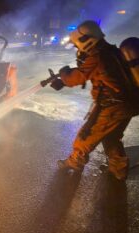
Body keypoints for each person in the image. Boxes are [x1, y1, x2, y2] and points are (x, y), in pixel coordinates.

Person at [49, 20, 133, 181]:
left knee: (86, 135)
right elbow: (88, 71)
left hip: (112, 106)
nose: (77, 48)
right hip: (128, 104)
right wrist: (64, 79)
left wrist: (64, 74)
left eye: (76, 44)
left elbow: (78, 76)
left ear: (85, 40)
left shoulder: (97, 56)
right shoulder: (112, 51)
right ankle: (119, 169)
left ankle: (75, 162)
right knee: (111, 137)